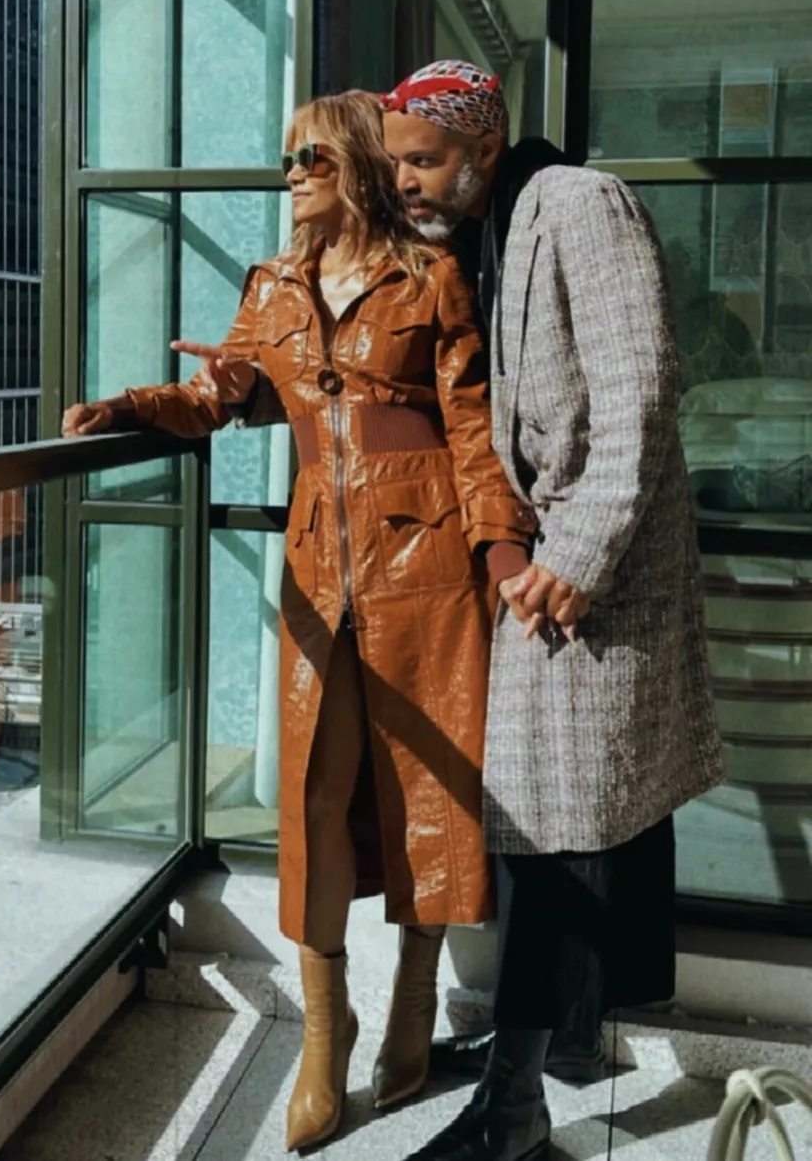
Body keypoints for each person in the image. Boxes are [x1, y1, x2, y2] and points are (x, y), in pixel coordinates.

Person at [217, 63, 727, 1161]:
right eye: (394, 161)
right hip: (540, 567)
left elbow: (641, 392)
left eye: (422, 160)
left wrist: (575, 556)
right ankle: (562, 1044)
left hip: (591, 572)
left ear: (483, 146)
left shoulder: (577, 204)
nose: (402, 179)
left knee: (560, 828)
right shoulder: (478, 231)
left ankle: (512, 1111)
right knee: (575, 823)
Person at [61, 89, 537, 1153]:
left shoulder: (431, 276)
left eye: (309, 159)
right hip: (321, 558)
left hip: (429, 554)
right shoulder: (272, 285)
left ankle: (414, 993)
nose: (291, 177)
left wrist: (501, 548)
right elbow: (219, 396)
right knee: (316, 786)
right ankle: (327, 1031)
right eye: (287, 161)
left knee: (428, 785)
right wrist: (132, 405)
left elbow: (472, 430)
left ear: (358, 163)